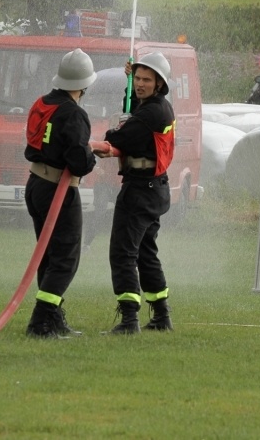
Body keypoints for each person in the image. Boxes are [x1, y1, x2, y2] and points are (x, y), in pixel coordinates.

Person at [95, 52, 175, 334]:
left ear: (159, 84)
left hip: (140, 191)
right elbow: (131, 113)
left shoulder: (153, 112)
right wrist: (128, 84)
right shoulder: (153, 107)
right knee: (145, 253)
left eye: (146, 80)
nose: (140, 84)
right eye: (138, 78)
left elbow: (121, 136)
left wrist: (105, 138)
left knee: (122, 253)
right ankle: (162, 316)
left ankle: (130, 319)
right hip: (152, 189)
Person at [23, 48, 97, 338]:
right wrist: (92, 155)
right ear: (85, 84)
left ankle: (52, 318)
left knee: (49, 256)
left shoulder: (42, 103)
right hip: (58, 190)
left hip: (36, 184)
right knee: (65, 258)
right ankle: (40, 322)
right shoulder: (74, 113)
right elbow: (79, 162)